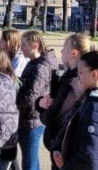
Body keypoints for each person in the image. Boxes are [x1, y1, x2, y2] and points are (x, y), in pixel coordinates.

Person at [53, 49, 98, 170]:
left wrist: (67, 167)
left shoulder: (95, 108)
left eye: (81, 73)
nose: (78, 76)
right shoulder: (87, 100)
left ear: (94, 74)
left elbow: (90, 155)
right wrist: (57, 149)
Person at [37, 34, 90, 168]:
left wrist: (42, 109)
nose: (61, 52)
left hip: (64, 149)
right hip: (61, 147)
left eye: (64, 48)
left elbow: (53, 117)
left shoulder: (72, 83)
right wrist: (40, 102)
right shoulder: (71, 78)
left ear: (73, 54)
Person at [16, 32, 56, 170]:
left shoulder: (41, 67)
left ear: (35, 45)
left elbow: (31, 95)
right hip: (29, 118)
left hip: (32, 120)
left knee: (29, 162)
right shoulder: (35, 63)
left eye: (24, 45)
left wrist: (12, 102)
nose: (21, 48)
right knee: (30, 161)